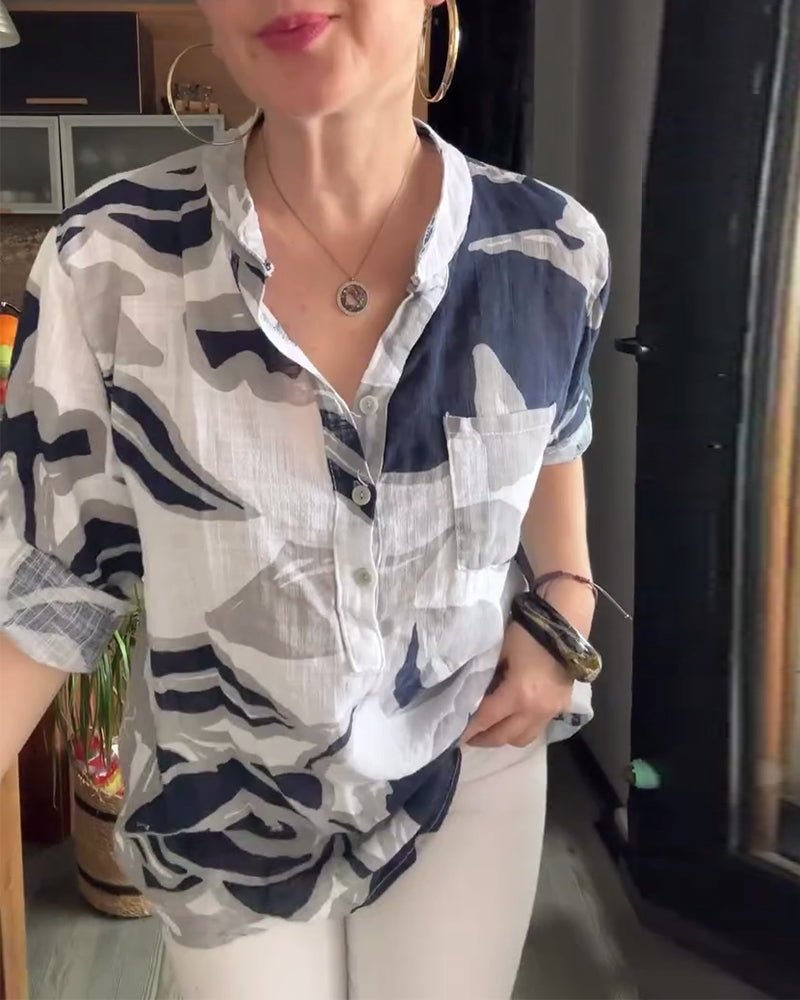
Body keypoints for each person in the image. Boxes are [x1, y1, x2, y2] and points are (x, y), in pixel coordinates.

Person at [0, 1, 610, 997]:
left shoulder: (552, 250)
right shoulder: (108, 258)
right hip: (220, 807)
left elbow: (551, 436)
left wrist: (566, 601)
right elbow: (50, 581)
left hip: (462, 765)